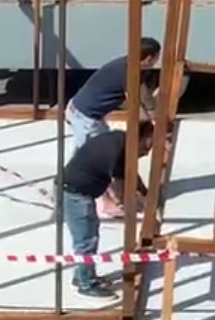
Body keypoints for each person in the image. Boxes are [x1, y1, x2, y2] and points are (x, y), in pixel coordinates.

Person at [60, 121, 159, 299]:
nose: (146, 153)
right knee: (86, 240)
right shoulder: (117, 151)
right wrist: (137, 207)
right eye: (147, 146)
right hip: (74, 194)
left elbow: (130, 173)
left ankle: (83, 275)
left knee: (88, 237)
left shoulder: (121, 142)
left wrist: (145, 193)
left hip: (79, 191)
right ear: (141, 138)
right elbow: (121, 190)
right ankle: (86, 284)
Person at [66, 37, 162, 218]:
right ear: (149, 58)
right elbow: (139, 106)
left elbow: (142, 101)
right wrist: (152, 127)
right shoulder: (128, 72)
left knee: (89, 156)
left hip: (83, 111)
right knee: (99, 161)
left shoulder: (126, 65)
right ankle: (107, 204)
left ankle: (72, 187)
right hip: (85, 117)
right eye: (157, 56)